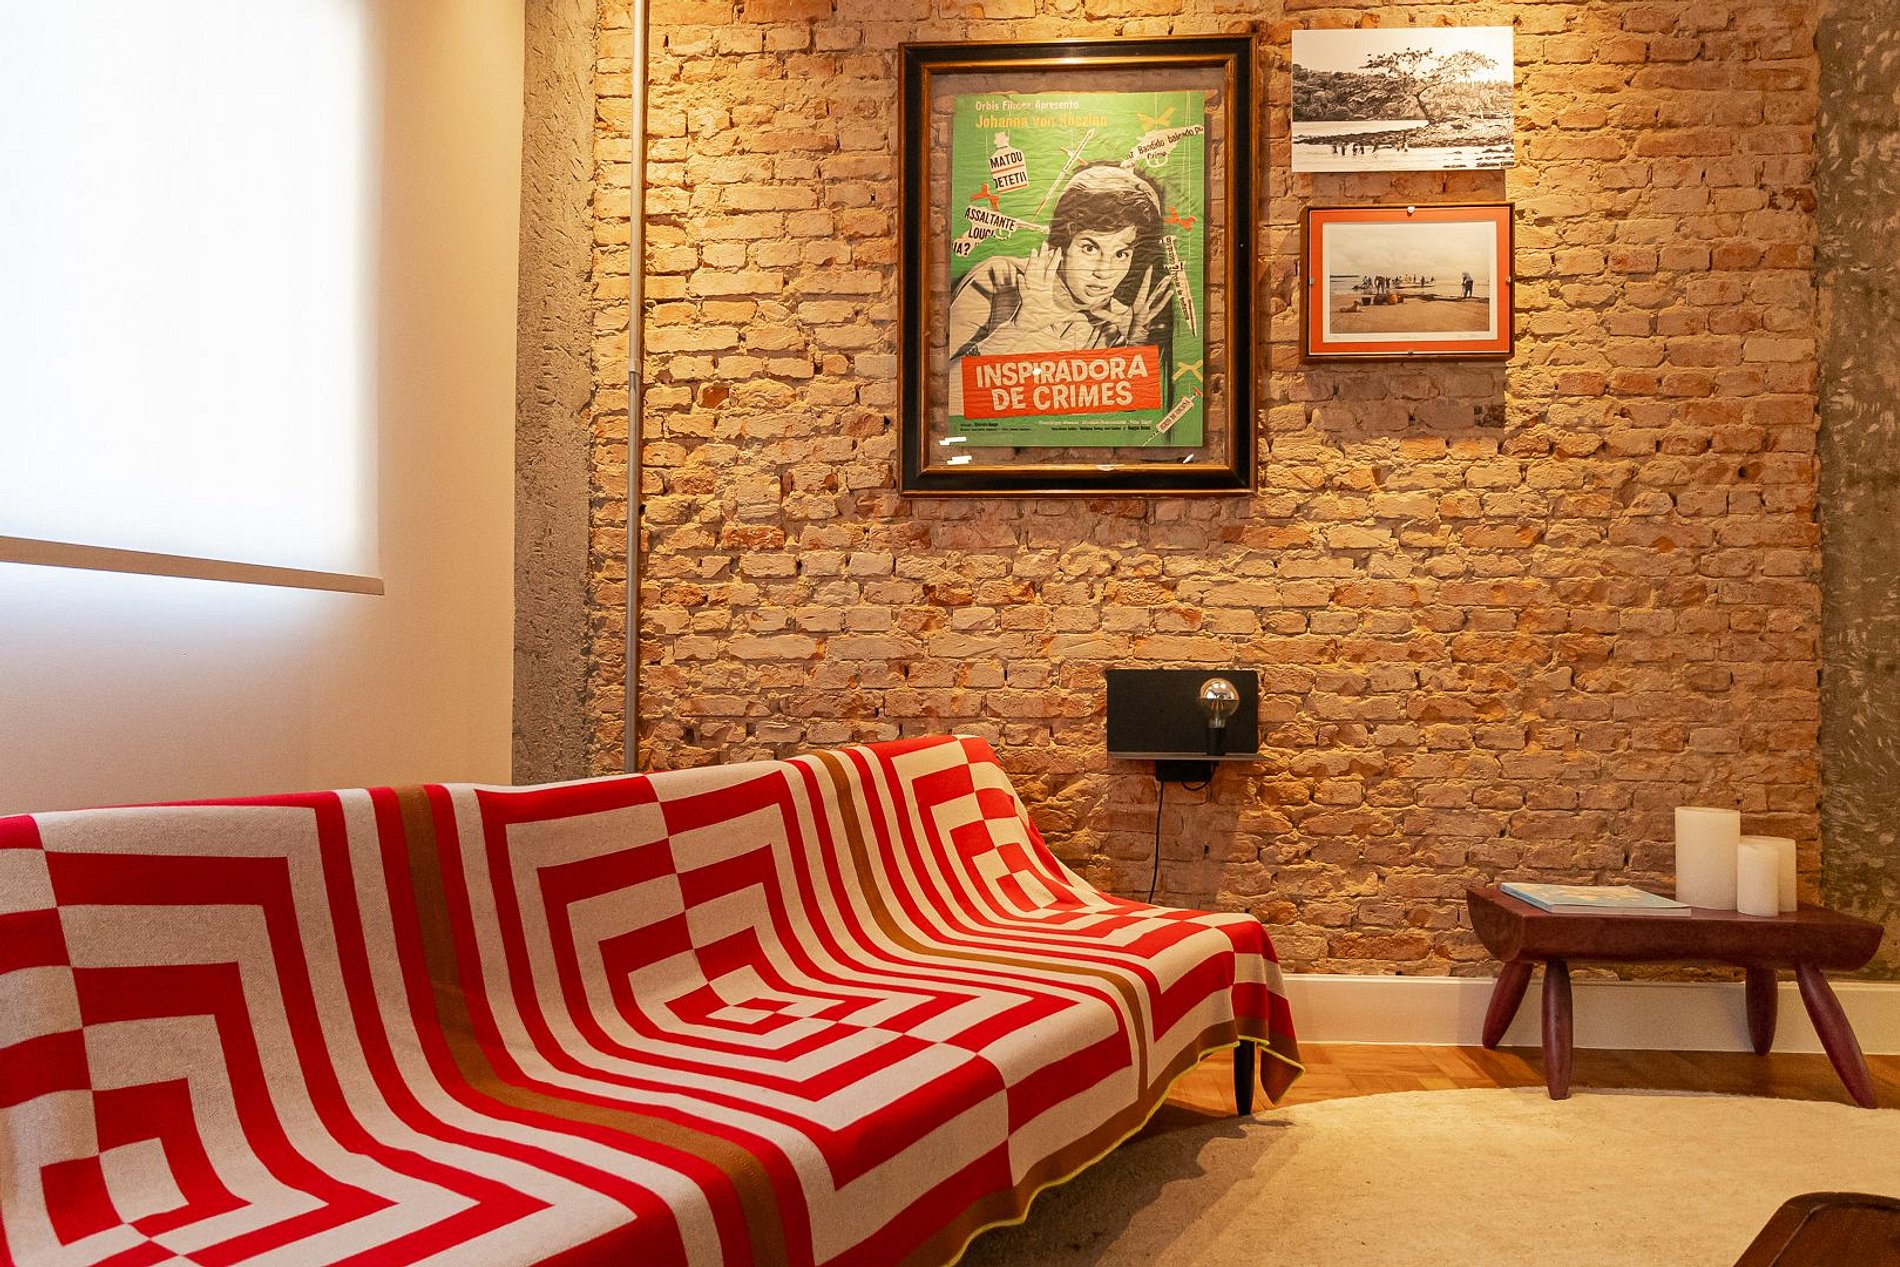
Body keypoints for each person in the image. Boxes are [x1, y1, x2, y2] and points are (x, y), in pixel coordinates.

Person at [946, 163, 1172, 360]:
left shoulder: (1118, 323)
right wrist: (1019, 328)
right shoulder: (999, 277)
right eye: (1090, 248)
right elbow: (947, 387)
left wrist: (1134, 348)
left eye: (1121, 254)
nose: (1104, 272)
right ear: (1063, 242)